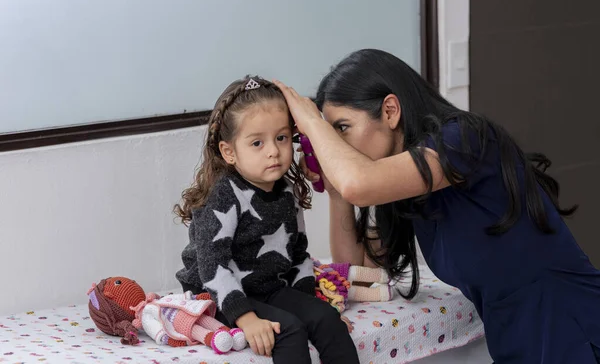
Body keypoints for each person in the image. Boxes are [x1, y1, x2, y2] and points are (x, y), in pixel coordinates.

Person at [273, 49, 600, 364]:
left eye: (342, 128)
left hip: (575, 330)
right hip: (518, 342)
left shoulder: (465, 139)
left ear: (390, 111)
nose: (336, 145)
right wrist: (336, 192)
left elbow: (360, 182)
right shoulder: (407, 189)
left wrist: (311, 123)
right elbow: (352, 272)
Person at [174, 76, 359, 364]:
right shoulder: (223, 195)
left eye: (281, 138)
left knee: (327, 319)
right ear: (229, 152)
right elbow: (212, 266)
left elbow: (298, 254)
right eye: (257, 143)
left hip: (267, 287)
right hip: (216, 293)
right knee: (289, 331)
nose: (273, 150)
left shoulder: (286, 191)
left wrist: (312, 308)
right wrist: (245, 318)